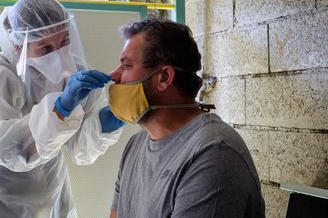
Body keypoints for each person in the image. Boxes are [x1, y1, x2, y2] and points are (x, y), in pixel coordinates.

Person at [0, 0, 124, 218]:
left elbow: (80, 151)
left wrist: (109, 120)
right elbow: (9, 151)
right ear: (18, 45)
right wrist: (60, 109)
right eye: (45, 48)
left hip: (49, 184)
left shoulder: (74, 70)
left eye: (64, 41)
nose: (58, 54)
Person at [108, 17, 265, 218]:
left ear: (164, 77)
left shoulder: (213, 153)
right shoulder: (135, 146)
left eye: (126, 66)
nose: (114, 75)